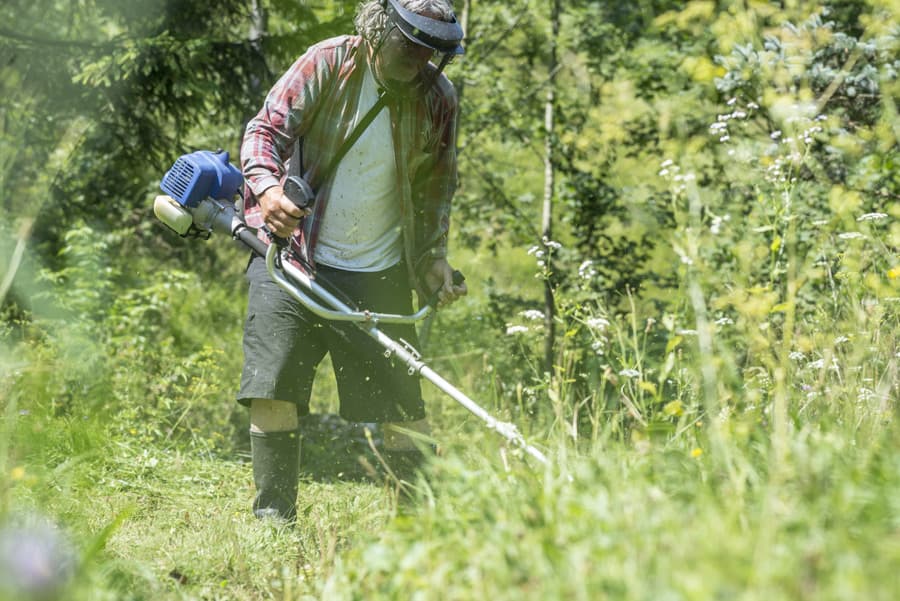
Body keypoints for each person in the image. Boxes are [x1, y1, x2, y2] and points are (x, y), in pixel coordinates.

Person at [238, 0, 468, 521]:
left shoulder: (438, 97)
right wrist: (269, 191)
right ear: (378, 27)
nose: (419, 59)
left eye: (430, 51)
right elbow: (265, 132)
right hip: (293, 257)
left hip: (380, 270)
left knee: (403, 409)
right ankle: (274, 524)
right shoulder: (327, 64)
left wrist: (433, 259)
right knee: (273, 388)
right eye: (409, 45)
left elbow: (437, 188)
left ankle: (417, 529)